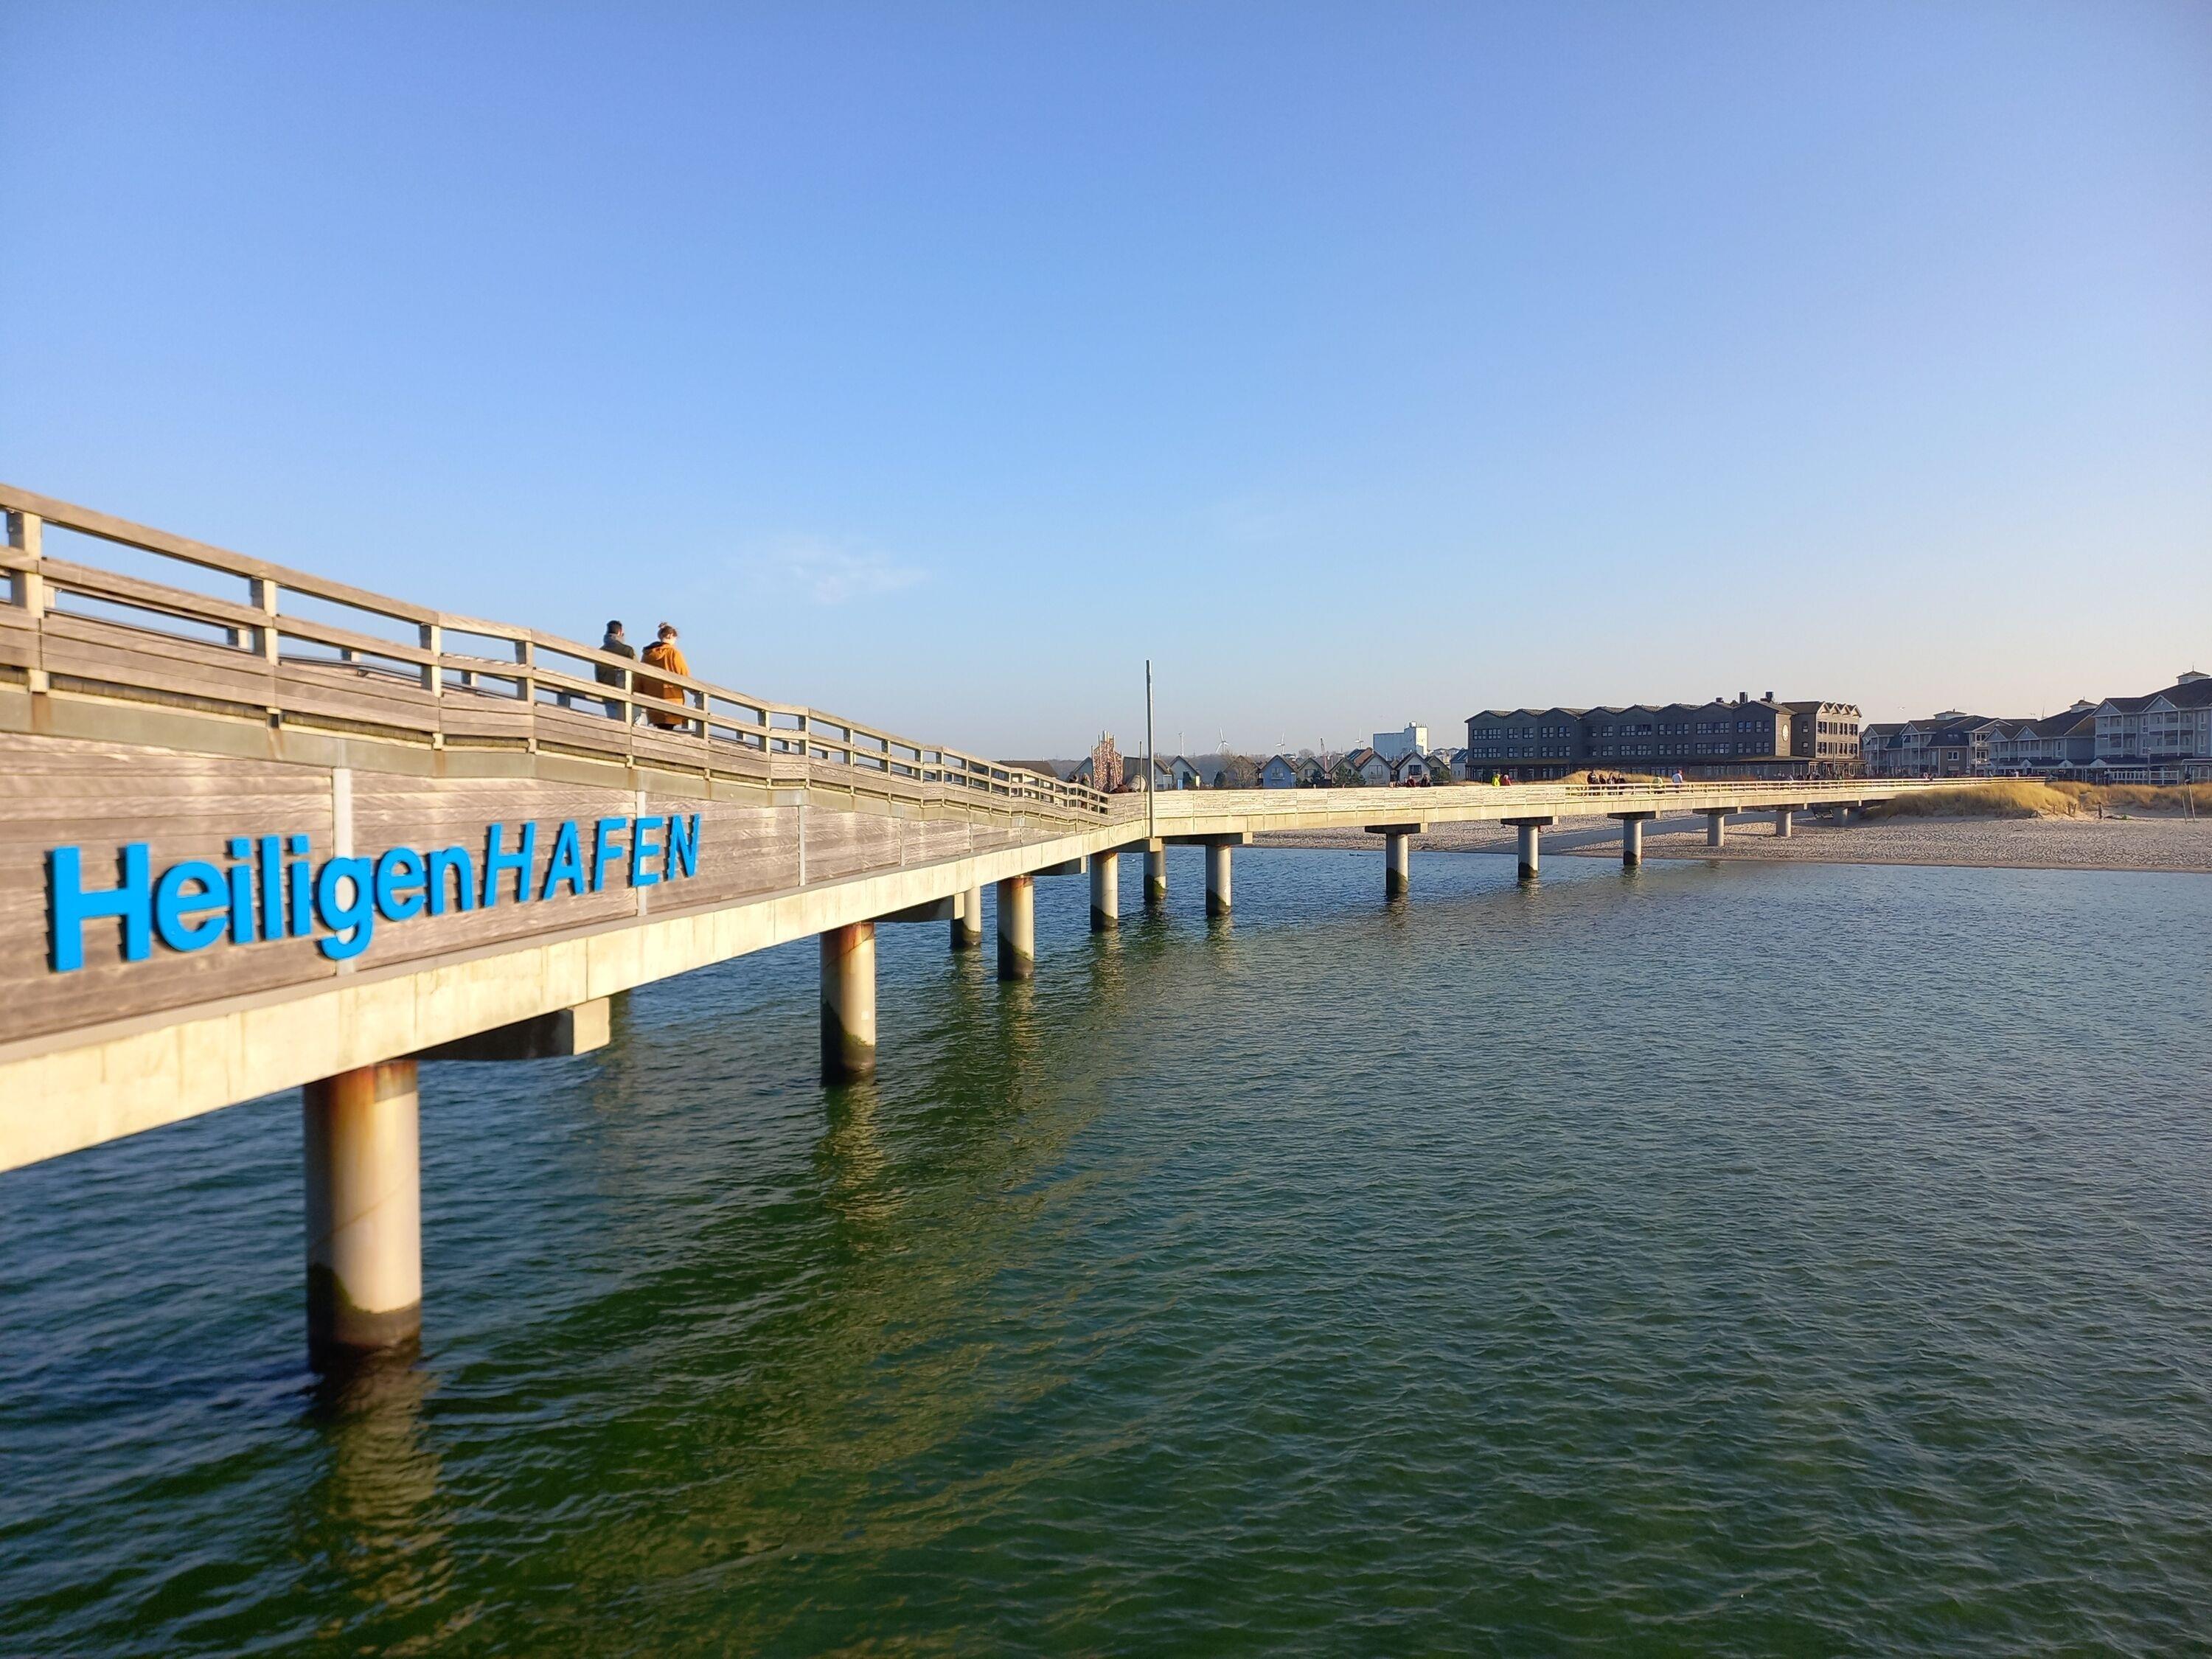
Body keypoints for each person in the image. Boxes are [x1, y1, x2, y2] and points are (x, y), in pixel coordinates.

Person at [638, 622, 692, 731]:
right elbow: (685, 676)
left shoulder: (647, 654)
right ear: (671, 636)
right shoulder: (673, 653)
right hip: (671, 699)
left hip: (652, 701)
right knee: (668, 732)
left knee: (661, 731)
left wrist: (639, 694)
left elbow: (639, 677)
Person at [595, 620, 636, 720]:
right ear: (620, 632)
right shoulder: (627, 650)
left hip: (608, 696)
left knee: (615, 725)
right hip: (628, 695)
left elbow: (598, 676)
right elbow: (637, 674)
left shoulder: (601, 651)